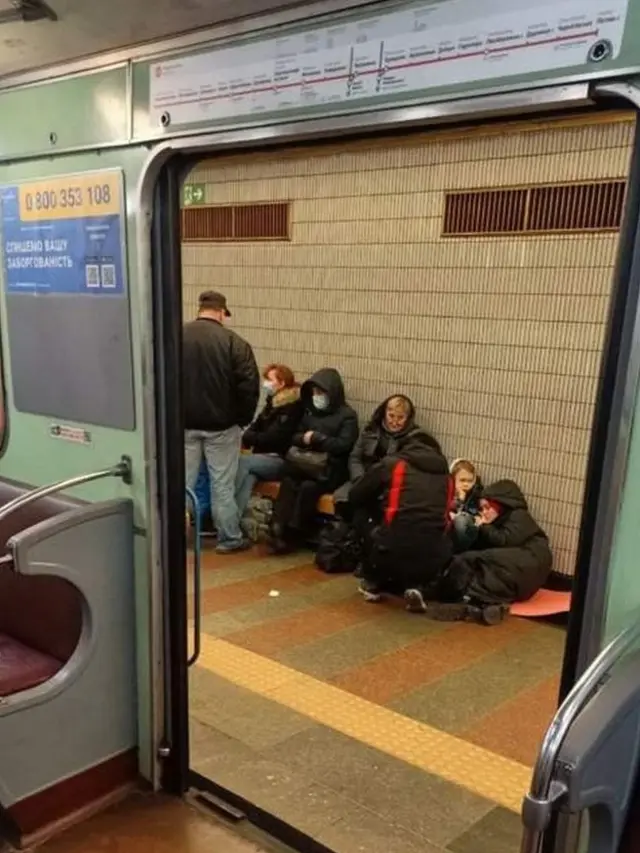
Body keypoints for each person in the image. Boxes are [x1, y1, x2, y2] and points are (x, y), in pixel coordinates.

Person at [183, 290, 259, 553]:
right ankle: (229, 538)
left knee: (182, 483)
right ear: (220, 312)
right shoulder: (235, 343)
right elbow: (249, 387)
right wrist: (242, 421)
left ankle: (172, 534)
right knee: (222, 485)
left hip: (183, 425)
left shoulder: (176, 336)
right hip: (222, 427)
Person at [349, 429, 452, 609]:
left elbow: (357, 494)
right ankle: (416, 586)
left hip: (391, 545)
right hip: (434, 552)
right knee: (424, 530)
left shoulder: (393, 464)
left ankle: (373, 581)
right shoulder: (447, 477)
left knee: (361, 514)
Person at [430, 479, 553, 624]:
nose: (484, 512)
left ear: (501, 506)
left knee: (471, 560)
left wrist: (482, 526)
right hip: (524, 574)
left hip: (530, 561)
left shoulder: (519, 516)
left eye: (488, 507)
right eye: (482, 509)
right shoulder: (507, 519)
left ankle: (450, 595)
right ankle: (482, 604)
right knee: (482, 569)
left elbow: (504, 541)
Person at [268, 368, 358, 554]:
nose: (317, 397)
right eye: (315, 393)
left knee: (309, 487)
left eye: (321, 393)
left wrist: (317, 439)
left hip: (330, 469)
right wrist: (303, 439)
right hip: (304, 465)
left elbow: (344, 445)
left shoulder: (347, 415)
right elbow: (295, 436)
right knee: (289, 482)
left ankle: (295, 531)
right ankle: (278, 527)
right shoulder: (310, 412)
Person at [235, 363, 302, 518]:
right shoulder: (271, 404)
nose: (266, 384)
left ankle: (224, 513)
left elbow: (274, 439)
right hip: (260, 458)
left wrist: (253, 438)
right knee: (248, 477)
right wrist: (254, 437)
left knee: (241, 462)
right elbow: (253, 429)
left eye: (269, 380)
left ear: (282, 383)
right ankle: (233, 522)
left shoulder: (291, 408)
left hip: (279, 460)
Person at [449, 458, 482, 551]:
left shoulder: (476, 494)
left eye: (470, 481)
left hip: (468, 526)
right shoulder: (448, 492)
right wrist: (458, 500)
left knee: (460, 520)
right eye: (462, 480)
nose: (466, 484)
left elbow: (477, 510)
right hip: (451, 528)